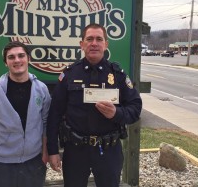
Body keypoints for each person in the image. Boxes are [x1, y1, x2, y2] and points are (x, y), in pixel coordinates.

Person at [46, 23, 142, 187]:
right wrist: (53, 151)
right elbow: (54, 114)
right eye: (89, 39)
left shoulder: (117, 75)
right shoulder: (69, 75)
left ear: (106, 44)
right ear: (81, 44)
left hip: (109, 150)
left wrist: (116, 114)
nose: (94, 43)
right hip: (76, 150)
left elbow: (135, 107)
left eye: (99, 39)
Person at [0, 41, 51, 187]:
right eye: (11, 57)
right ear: (6, 63)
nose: (17, 60)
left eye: (21, 56)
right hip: (1, 164)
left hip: (34, 161)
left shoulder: (41, 89)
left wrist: (45, 154)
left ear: (28, 59)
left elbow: (46, 123)